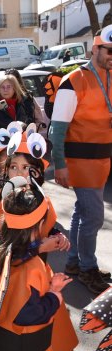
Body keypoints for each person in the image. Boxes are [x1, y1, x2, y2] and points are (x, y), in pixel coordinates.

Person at [0, 185, 71, 351]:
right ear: (40, 225)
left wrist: (38, 247)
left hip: (7, 349)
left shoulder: (7, 250)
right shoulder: (30, 267)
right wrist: (54, 295)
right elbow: (27, 314)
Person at [49, 27, 112, 295]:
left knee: (83, 212)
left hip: (100, 160)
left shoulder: (109, 77)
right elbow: (57, 129)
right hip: (79, 162)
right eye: (109, 51)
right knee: (94, 216)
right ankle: (88, 267)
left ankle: (74, 262)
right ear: (95, 49)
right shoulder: (74, 80)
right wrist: (59, 164)